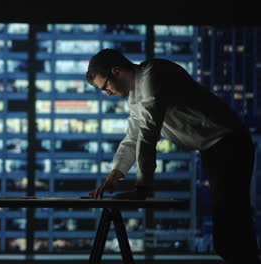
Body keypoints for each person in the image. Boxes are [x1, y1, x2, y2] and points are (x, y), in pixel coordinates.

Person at [86, 49, 259, 263]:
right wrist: (115, 175)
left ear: (117, 71)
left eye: (105, 86)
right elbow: (132, 139)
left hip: (228, 143)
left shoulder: (153, 75)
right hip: (214, 148)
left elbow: (148, 135)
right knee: (228, 228)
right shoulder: (136, 98)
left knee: (231, 227)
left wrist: (142, 188)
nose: (108, 93)